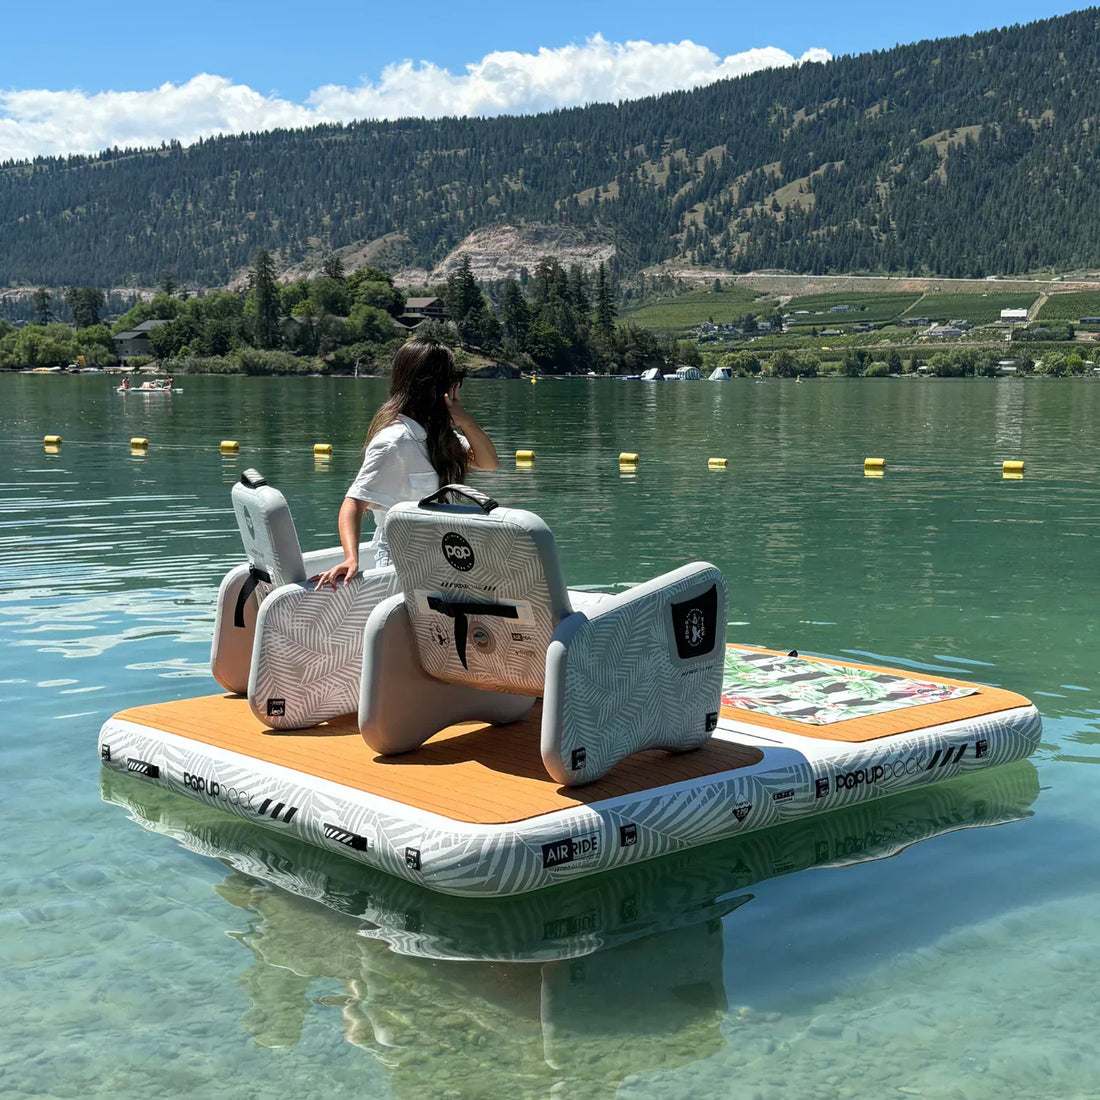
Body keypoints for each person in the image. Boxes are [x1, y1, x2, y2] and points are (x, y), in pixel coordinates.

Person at [315, 340, 498, 587]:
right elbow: (353, 502)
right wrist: (351, 558)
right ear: (435, 386)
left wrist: (464, 420)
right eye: (452, 380)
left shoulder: (440, 436)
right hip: (400, 561)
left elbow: (488, 462)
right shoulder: (394, 442)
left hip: (441, 555)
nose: (457, 387)